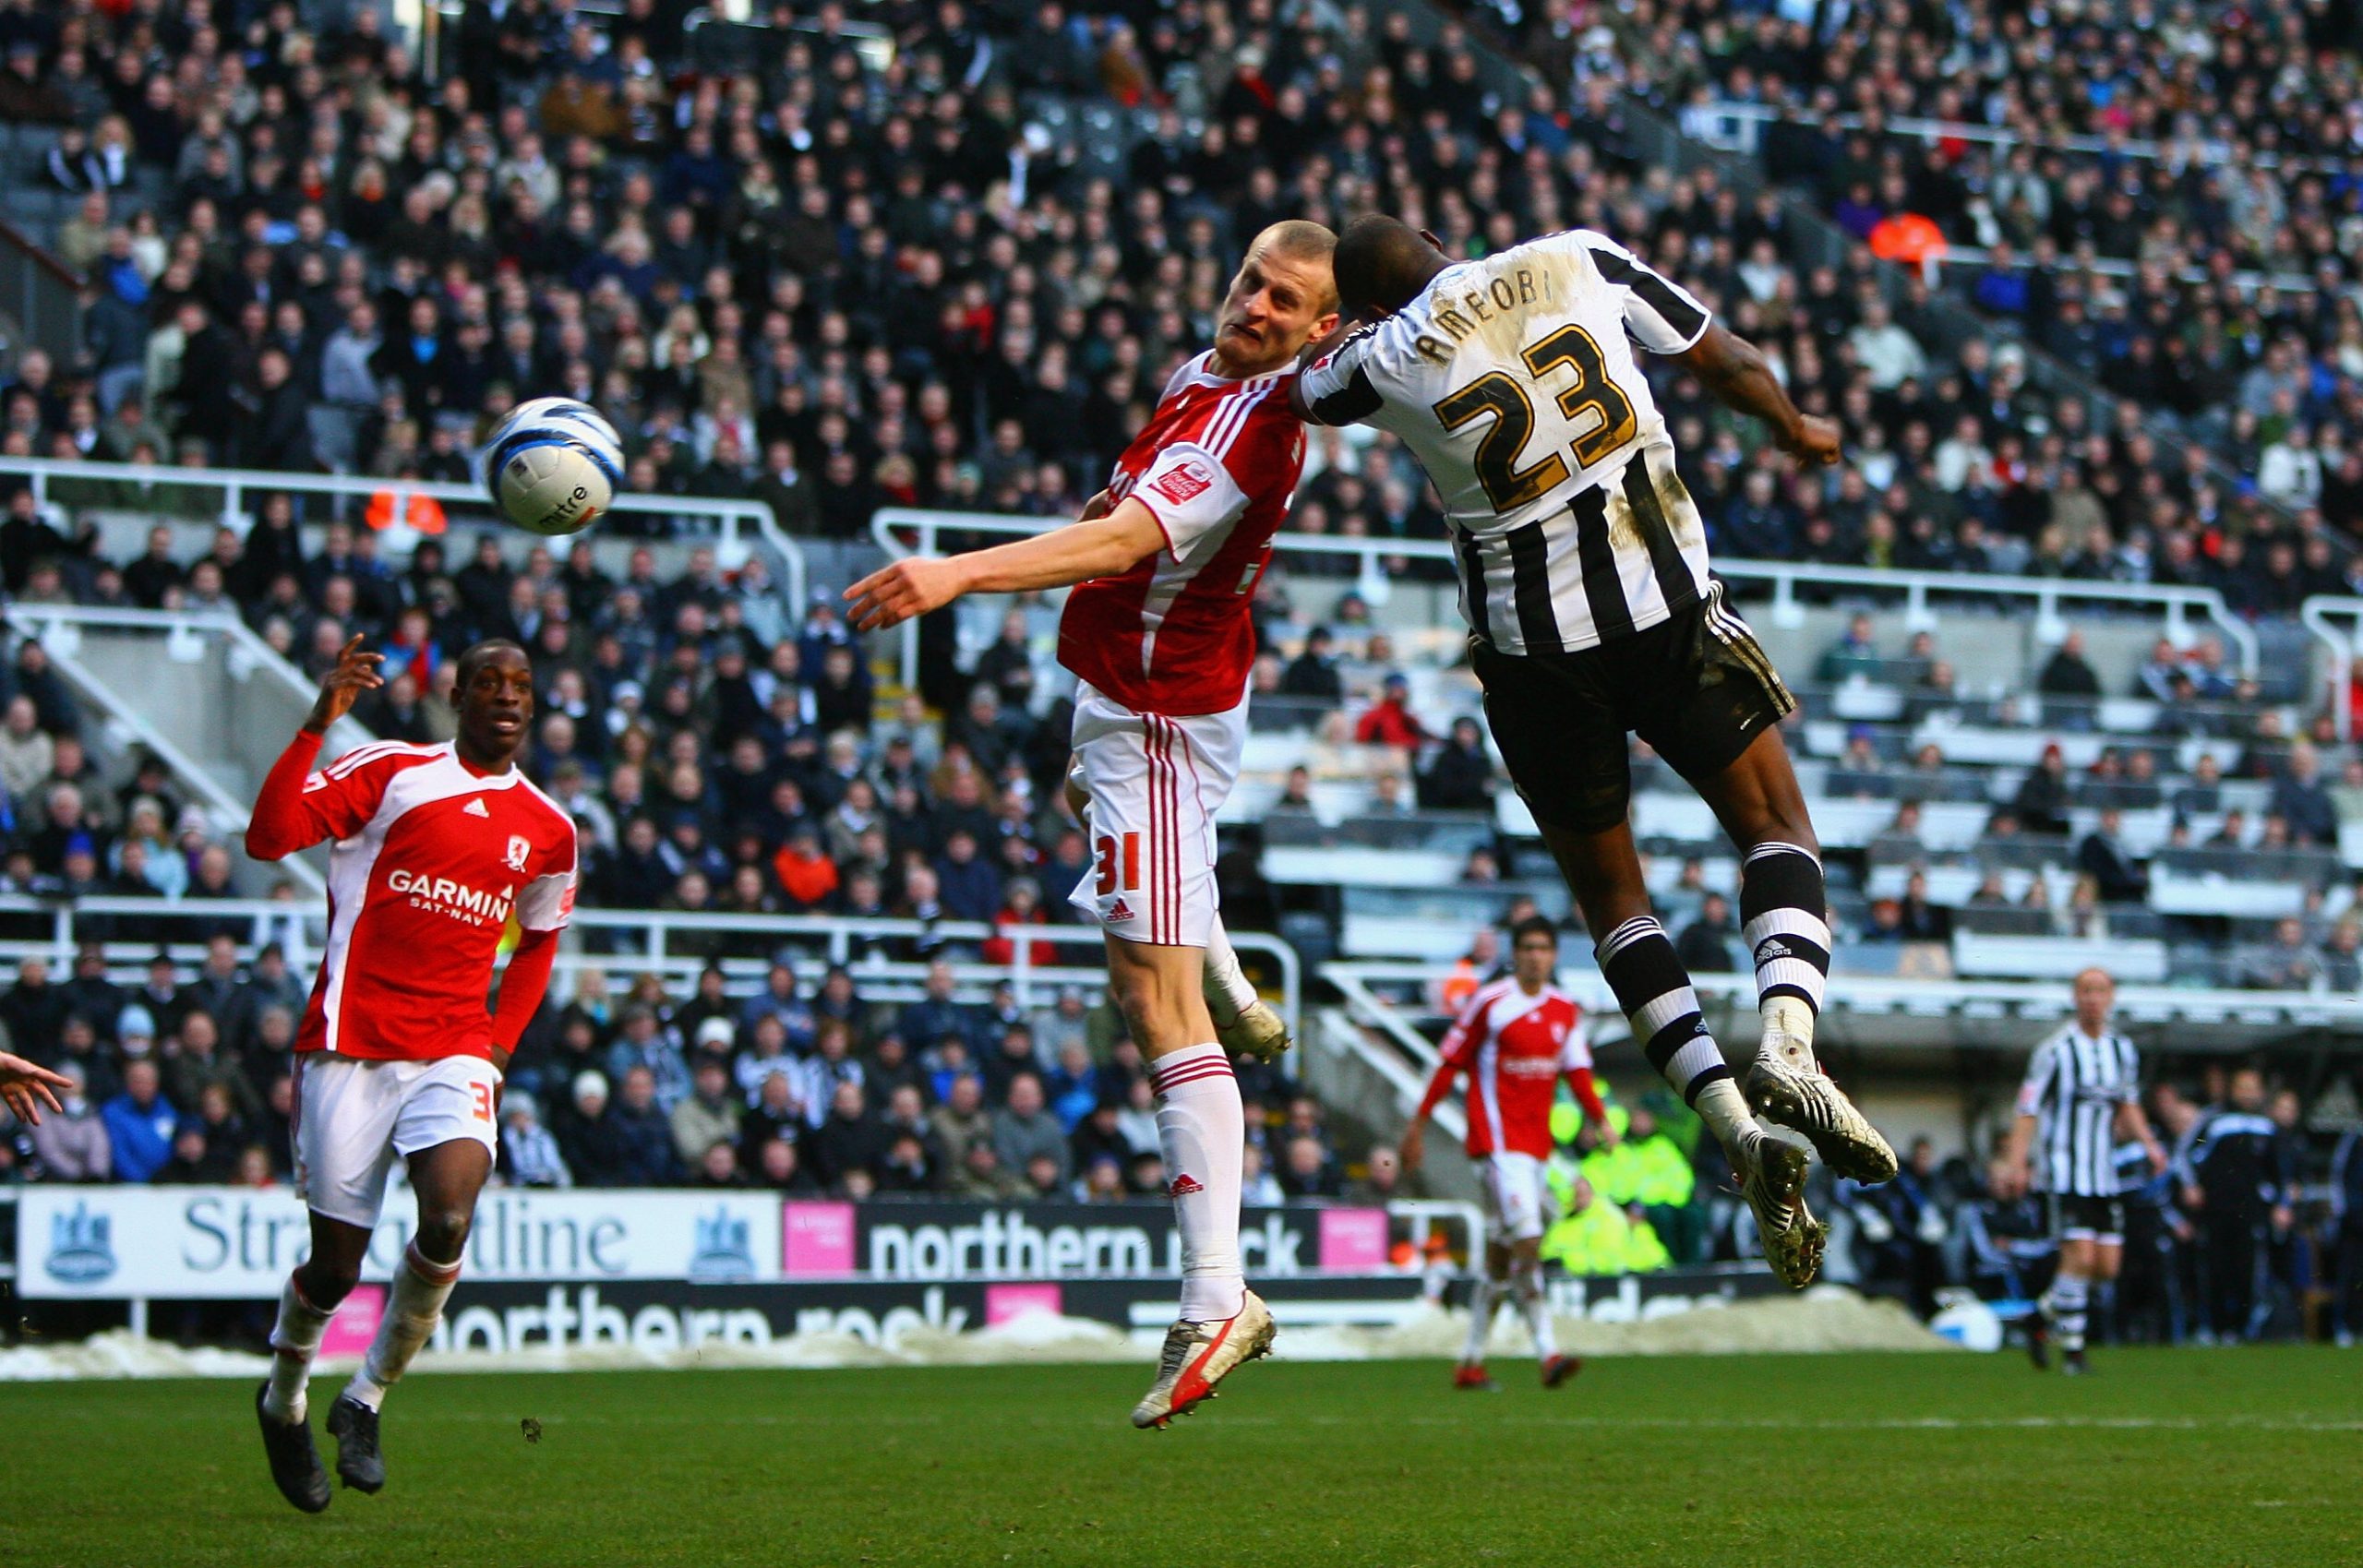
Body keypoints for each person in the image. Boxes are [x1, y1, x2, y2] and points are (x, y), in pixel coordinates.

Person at [1295, 215, 1895, 1288]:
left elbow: (1299, 387)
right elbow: (1726, 359)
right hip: (1660, 602)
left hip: (1535, 662)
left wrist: (1329, 330)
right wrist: (1796, 429)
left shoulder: (1382, 358)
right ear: (1441, 237)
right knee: (1773, 825)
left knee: (1616, 903)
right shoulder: (1573, 257)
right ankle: (1789, 1038)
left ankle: (1730, 1122)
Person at [845, 222, 1340, 1427]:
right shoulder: (1198, 373)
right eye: (1248, 280)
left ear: (1325, 329)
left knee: (1151, 1004)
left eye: (1287, 300)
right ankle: (1206, 929)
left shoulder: (1256, 427)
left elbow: (1128, 539)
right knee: (1116, 876)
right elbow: (1117, 502)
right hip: (1134, 695)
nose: (1256, 304)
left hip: (1157, 718)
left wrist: (958, 570)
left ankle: (1219, 1293)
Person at [244, 637, 577, 1511]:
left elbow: (540, 943)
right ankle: (282, 1400)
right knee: (335, 1268)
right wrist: (318, 724)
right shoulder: (390, 771)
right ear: (457, 695)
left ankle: (366, 1398)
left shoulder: (548, 827)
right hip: (349, 1043)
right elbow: (269, 836)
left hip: (456, 1046)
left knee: (451, 1214)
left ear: (533, 706)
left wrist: (499, 1046)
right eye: (489, 683)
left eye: (522, 686)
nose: (507, 697)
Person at [1399, 917, 1612, 1391]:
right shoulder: (1490, 1003)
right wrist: (1417, 1124)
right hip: (1495, 1143)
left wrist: (1599, 1119)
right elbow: (1449, 1061)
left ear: (1554, 955)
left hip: (1534, 1147)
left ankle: (1470, 1362)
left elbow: (1577, 1071)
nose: (1536, 956)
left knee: (1501, 1260)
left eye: (1544, 948)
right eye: (1528, 947)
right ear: (1515, 954)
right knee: (1529, 1241)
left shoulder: (1564, 1010)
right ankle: (1548, 1352)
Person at [2001, 969, 2167, 1374]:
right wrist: (2017, 1163)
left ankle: (2038, 1317)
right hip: (2064, 1172)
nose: (2093, 998)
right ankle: (2074, 1352)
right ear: (2076, 997)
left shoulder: (2121, 1050)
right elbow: (2028, 1109)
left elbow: (2126, 1103)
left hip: (2103, 1175)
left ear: (2111, 998)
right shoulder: (2056, 1050)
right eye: (2086, 991)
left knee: (2106, 1267)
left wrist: (2149, 1144)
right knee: (2079, 1257)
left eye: (2100, 991)